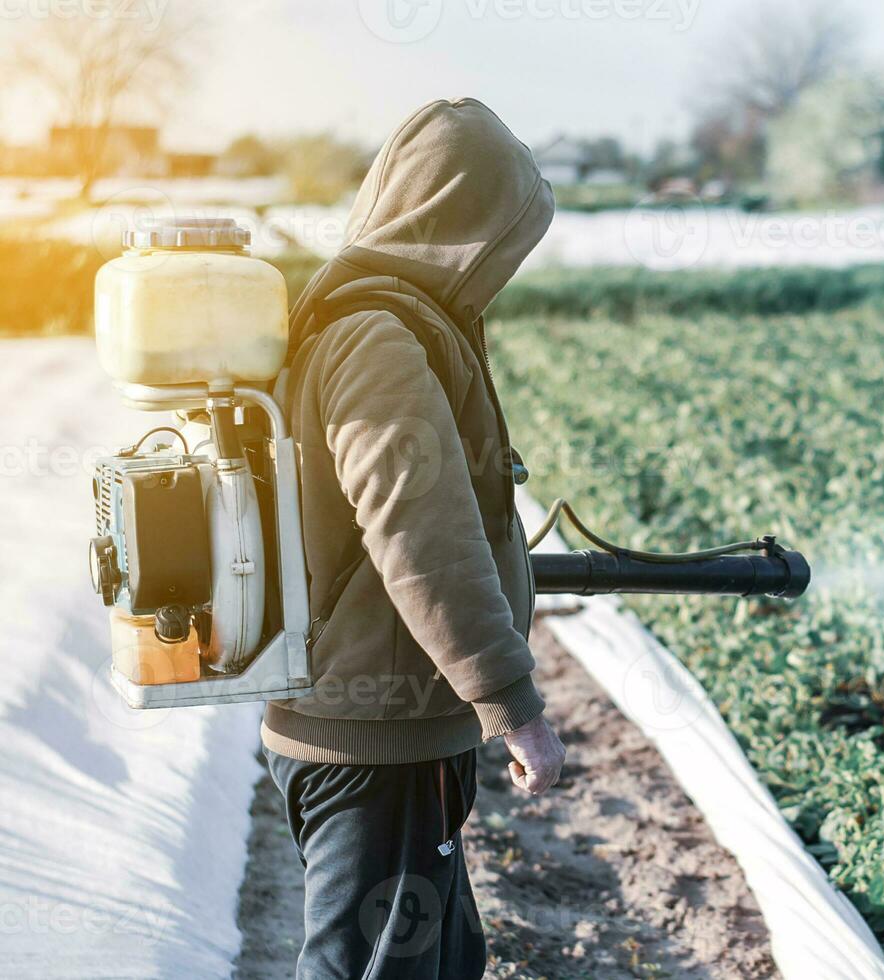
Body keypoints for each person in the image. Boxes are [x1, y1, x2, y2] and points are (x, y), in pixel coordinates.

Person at [262, 98, 565, 979]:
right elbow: (417, 526)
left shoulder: (364, 317)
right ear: (460, 223)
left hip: (380, 733)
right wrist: (513, 702)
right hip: (377, 747)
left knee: (442, 959)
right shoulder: (377, 337)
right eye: (501, 236)